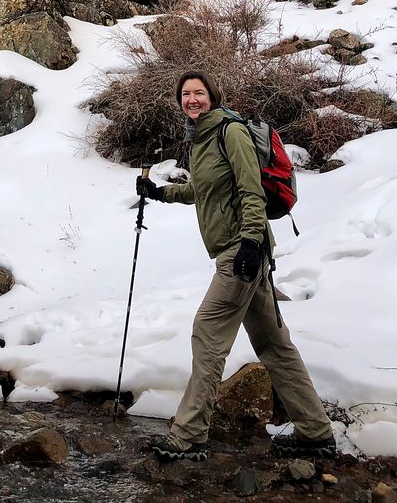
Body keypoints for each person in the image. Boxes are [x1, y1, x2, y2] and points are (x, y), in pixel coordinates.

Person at [136, 69, 335, 463]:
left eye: (198, 93)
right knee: (275, 345)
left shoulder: (231, 132)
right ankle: (315, 432)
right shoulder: (203, 140)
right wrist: (160, 192)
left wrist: (248, 243)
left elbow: (249, 189)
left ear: (212, 95)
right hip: (243, 251)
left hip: (241, 252)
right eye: (185, 94)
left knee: (207, 331)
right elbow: (200, 190)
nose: (191, 99)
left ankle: (189, 434)